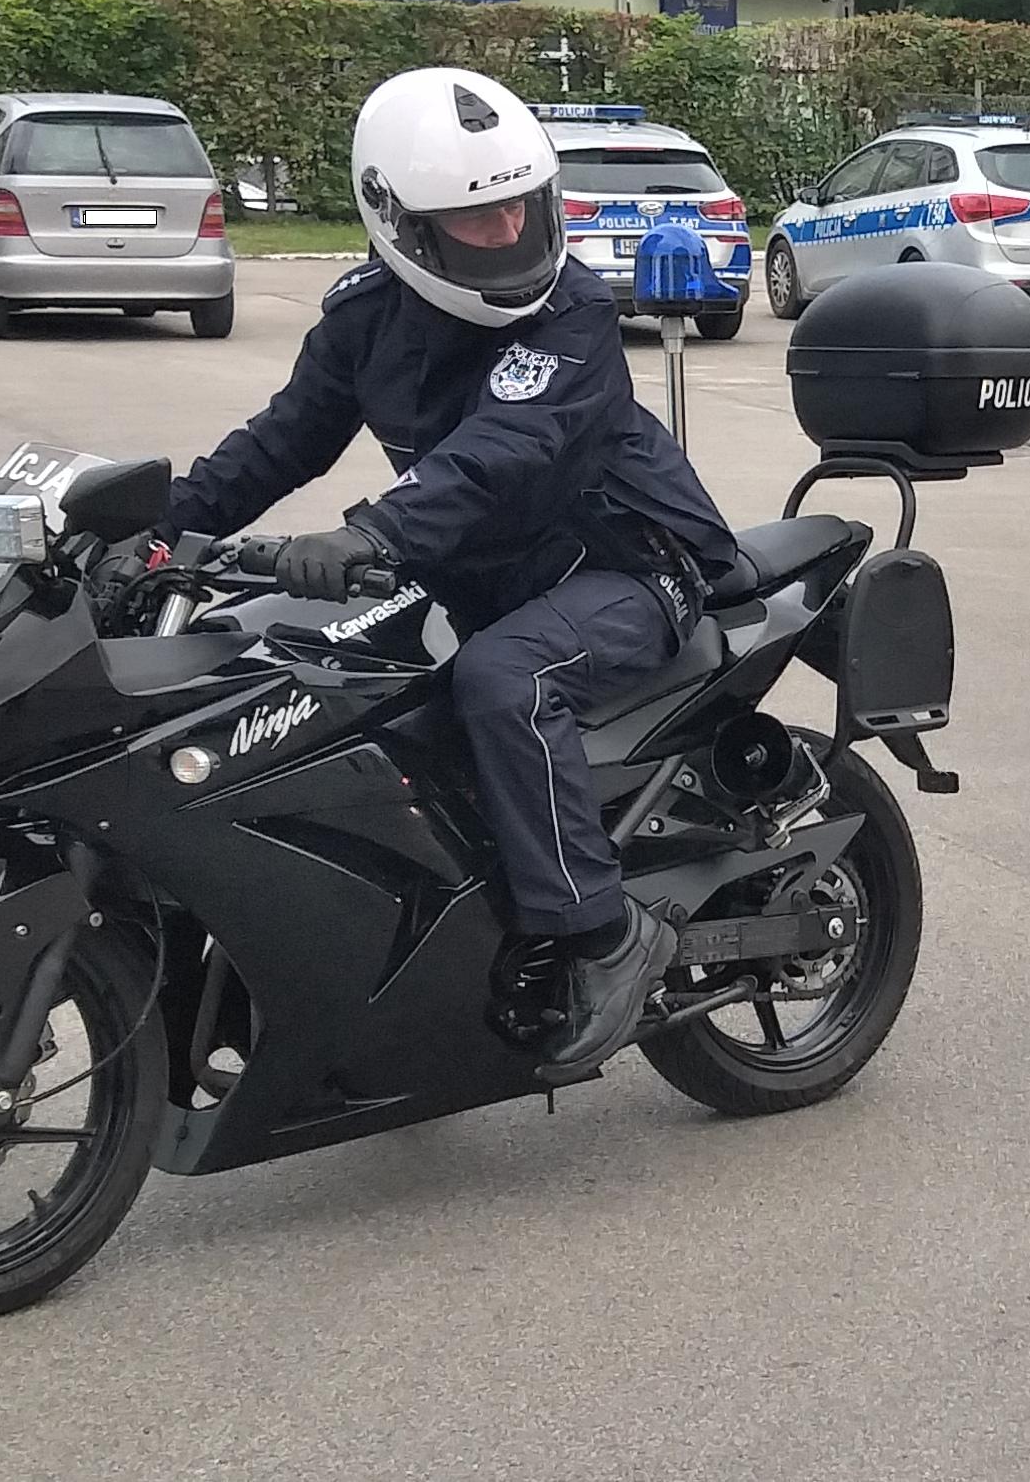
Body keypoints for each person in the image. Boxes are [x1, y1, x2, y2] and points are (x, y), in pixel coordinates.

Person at [159, 66, 739, 1082]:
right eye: (478, 218)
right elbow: (284, 439)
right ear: (398, 222)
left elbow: (505, 448)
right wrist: (158, 529)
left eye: (522, 207)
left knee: (505, 681)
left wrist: (372, 533)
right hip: (484, 571)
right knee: (306, 673)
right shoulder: (365, 316)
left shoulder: (572, 311)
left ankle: (605, 935)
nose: (509, 231)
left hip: (632, 562)